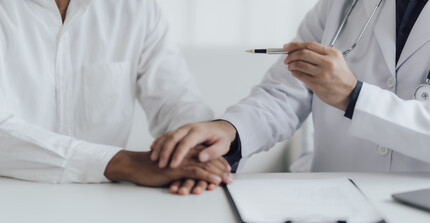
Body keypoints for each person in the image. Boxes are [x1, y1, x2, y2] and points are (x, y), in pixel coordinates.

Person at [150, 0, 430, 193]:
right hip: (333, 197)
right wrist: (230, 131)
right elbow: (285, 92)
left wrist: (354, 97)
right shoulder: (341, 5)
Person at [0, 0, 232, 194]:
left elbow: (177, 99)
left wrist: (191, 152)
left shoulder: (134, 7)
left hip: (106, 205)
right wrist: (122, 162)